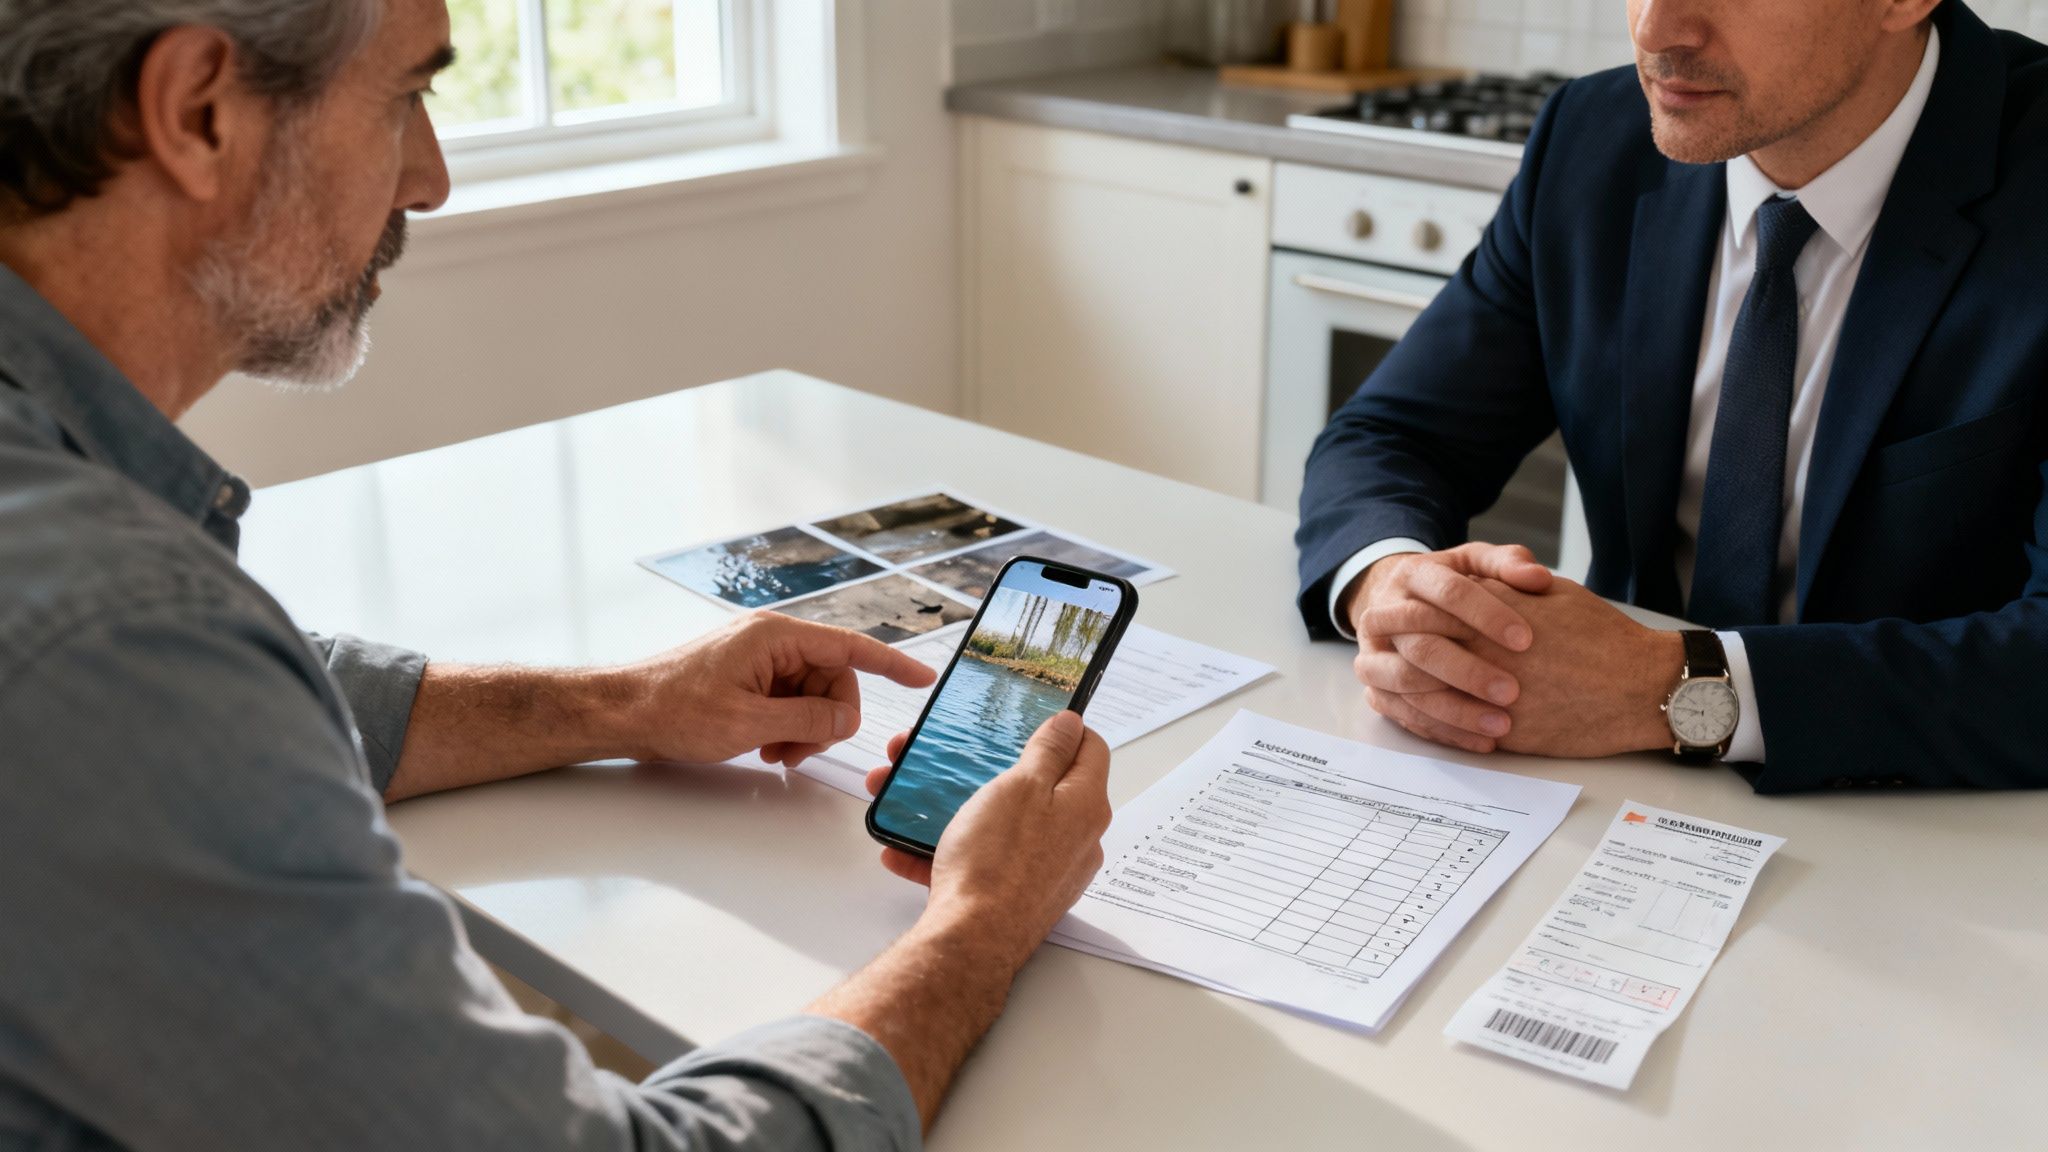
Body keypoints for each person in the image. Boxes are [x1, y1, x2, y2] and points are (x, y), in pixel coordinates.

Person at [0, 1, 1113, 1148]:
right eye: (404, 97)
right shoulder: (108, 634)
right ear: (196, 112)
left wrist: (621, 702)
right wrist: (980, 922)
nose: (428, 179)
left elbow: (252, 699)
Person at [1296, 0, 2047, 791]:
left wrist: (1668, 689)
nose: (1656, 31)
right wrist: (1399, 588)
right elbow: (1392, 434)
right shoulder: (1591, 138)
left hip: (1940, 831)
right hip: (1617, 795)